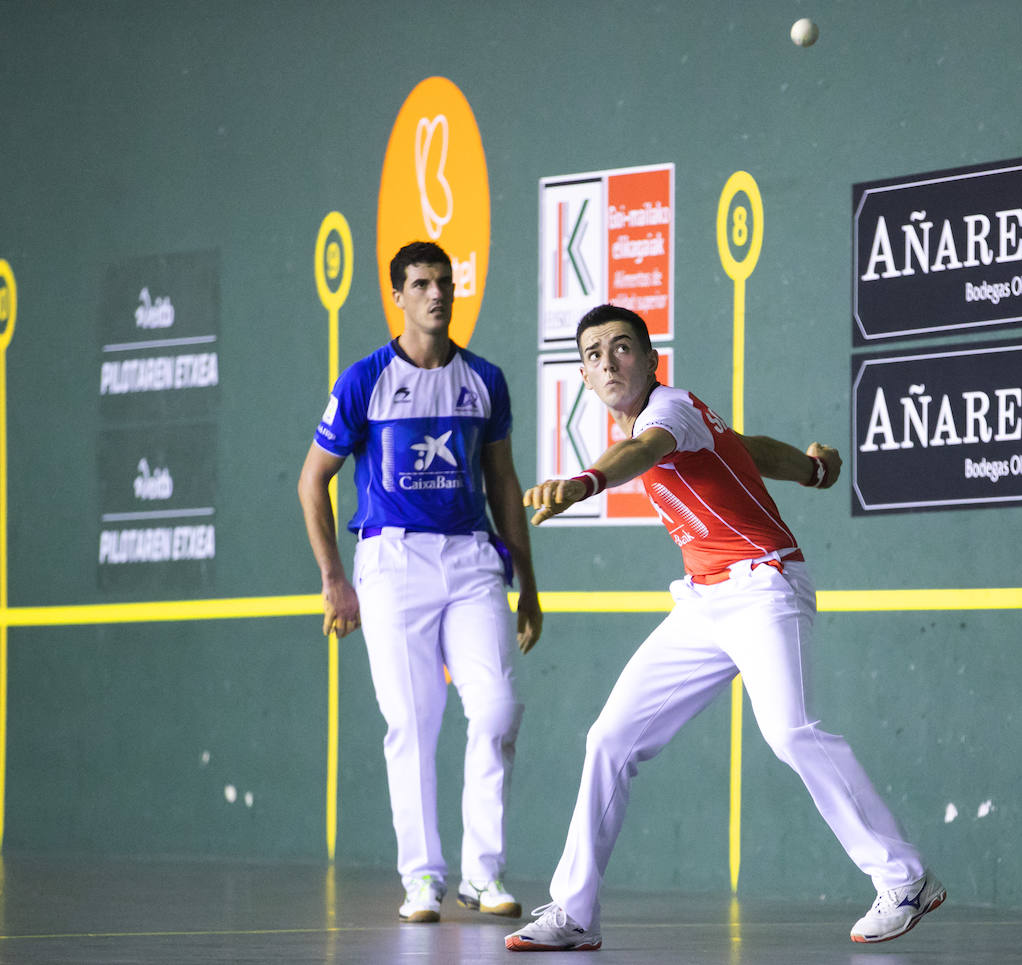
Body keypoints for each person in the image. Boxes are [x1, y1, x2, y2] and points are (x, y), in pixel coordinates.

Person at [505, 304, 943, 952]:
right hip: (705, 603)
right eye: (594, 353)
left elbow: (640, 451)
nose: (609, 361)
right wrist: (813, 469)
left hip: (765, 583)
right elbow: (746, 447)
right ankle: (574, 912)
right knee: (609, 738)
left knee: (791, 730)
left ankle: (905, 878)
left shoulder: (668, 411)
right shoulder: (689, 420)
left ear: (651, 358)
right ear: (585, 376)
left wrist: (585, 482)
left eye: (622, 346)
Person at [298, 241, 542, 924]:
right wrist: (333, 581)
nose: (437, 293)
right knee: (412, 721)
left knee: (494, 709)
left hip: (470, 561)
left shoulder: (484, 379)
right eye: (421, 283)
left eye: (445, 281)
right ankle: (422, 878)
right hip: (392, 564)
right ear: (398, 296)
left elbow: (502, 481)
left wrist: (529, 580)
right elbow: (312, 479)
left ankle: (482, 874)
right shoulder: (364, 380)